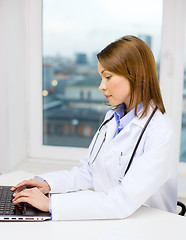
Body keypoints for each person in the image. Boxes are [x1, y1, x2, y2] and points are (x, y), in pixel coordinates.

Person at [11, 35, 177, 220]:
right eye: (101, 77)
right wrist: (48, 184)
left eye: (108, 77)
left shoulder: (160, 131)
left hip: (150, 226)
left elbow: (122, 202)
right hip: (110, 219)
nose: (101, 86)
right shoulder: (112, 119)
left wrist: (50, 205)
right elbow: (89, 172)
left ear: (134, 75)